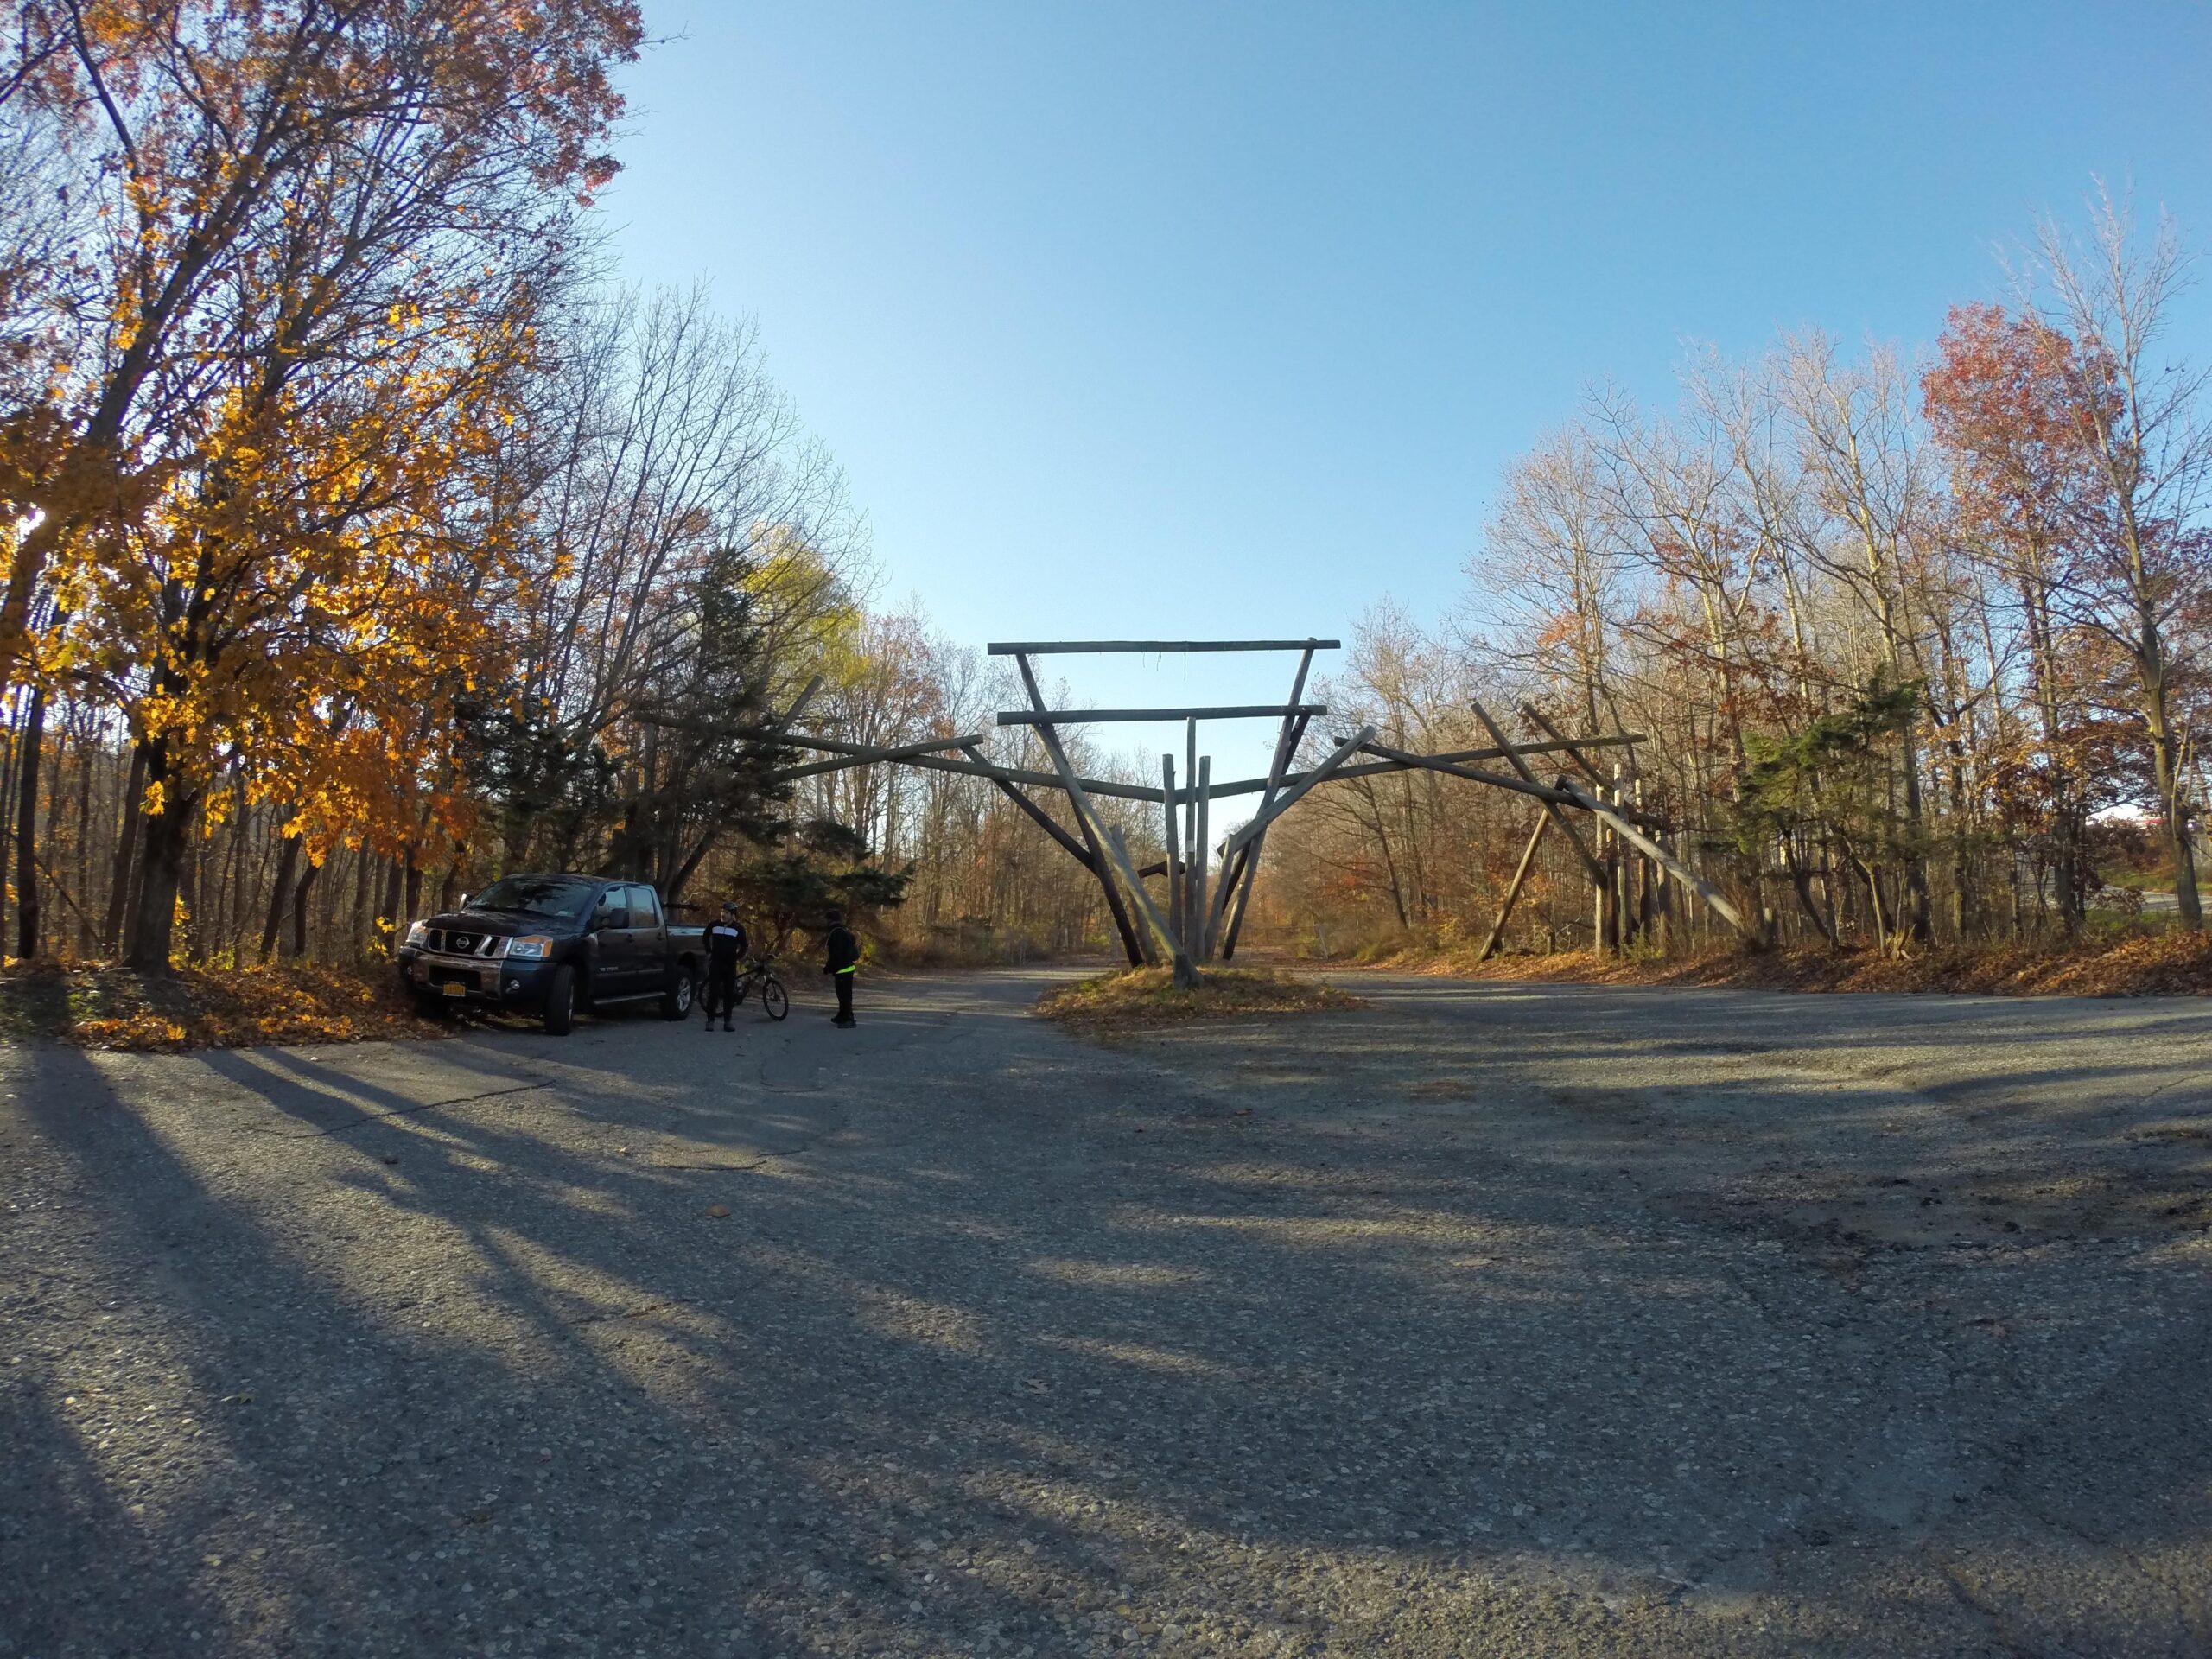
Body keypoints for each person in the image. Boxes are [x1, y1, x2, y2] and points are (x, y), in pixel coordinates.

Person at [702, 903, 748, 1032]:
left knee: (729, 994)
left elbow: (744, 945)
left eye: (726, 913)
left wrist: (736, 957)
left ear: (733, 915)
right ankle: (710, 1020)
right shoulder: (714, 925)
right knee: (713, 993)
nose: (723, 914)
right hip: (716, 963)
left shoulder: (738, 928)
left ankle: (727, 1021)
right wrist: (708, 951)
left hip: (730, 965)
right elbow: (706, 936)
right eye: (722, 911)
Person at [823, 908, 860, 1027]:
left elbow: (836, 954)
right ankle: (842, 1015)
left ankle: (849, 1018)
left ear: (830, 920)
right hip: (846, 967)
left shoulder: (836, 933)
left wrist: (828, 967)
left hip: (843, 968)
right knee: (842, 994)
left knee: (844, 995)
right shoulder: (842, 931)